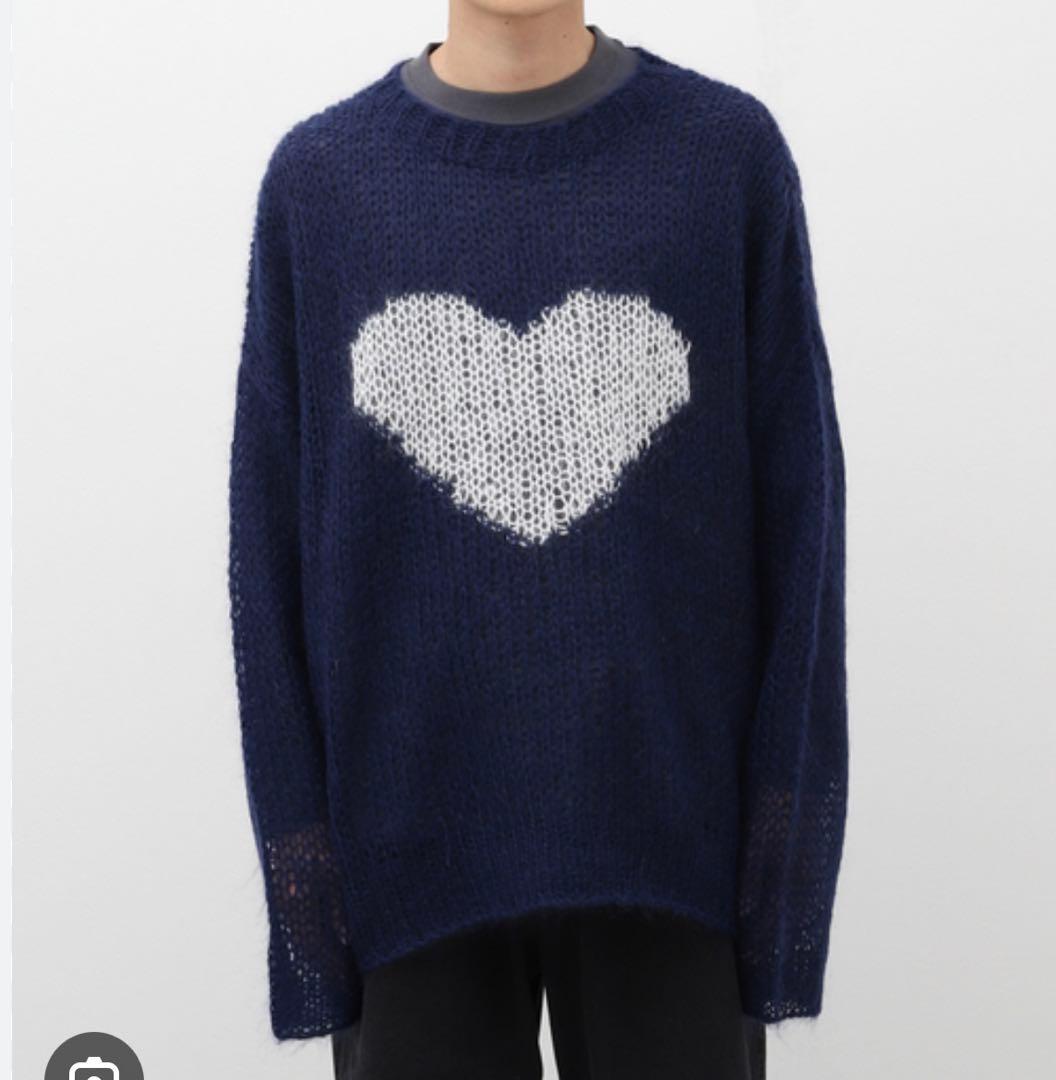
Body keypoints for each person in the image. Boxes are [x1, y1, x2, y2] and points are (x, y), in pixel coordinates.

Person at [227, 3, 848, 1078]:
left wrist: (778, 887)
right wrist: (310, 900)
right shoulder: (322, 187)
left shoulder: (722, 161)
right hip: (404, 864)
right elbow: (269, 557)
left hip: (673, 852)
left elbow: (801, 536)